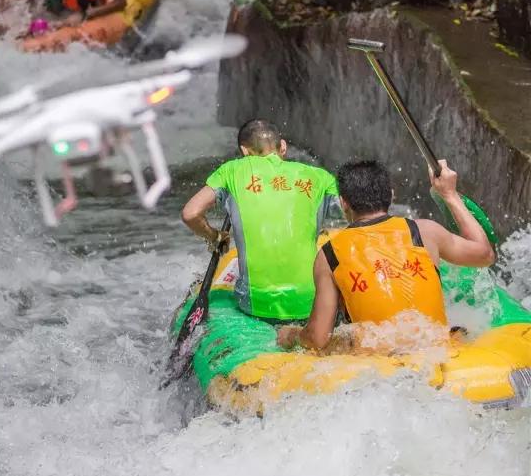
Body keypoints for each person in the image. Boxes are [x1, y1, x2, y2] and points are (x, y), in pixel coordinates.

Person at [277, 159, 496, 351]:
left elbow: (317, 338)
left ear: (343, 202)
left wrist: (292, 335)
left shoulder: (329, 254)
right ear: (391, 194)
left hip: (378, 369)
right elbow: (485, 255)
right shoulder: (425, 231)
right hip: (435, 352)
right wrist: (449, 194)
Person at [181, 119, 343, 321]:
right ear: (283, 146)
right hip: (311, 301)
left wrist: (214, 236)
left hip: (255, 304)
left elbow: (190, 213)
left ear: (244, 151)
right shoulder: (319, 176)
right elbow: (352, 211)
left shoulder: (231, 170)